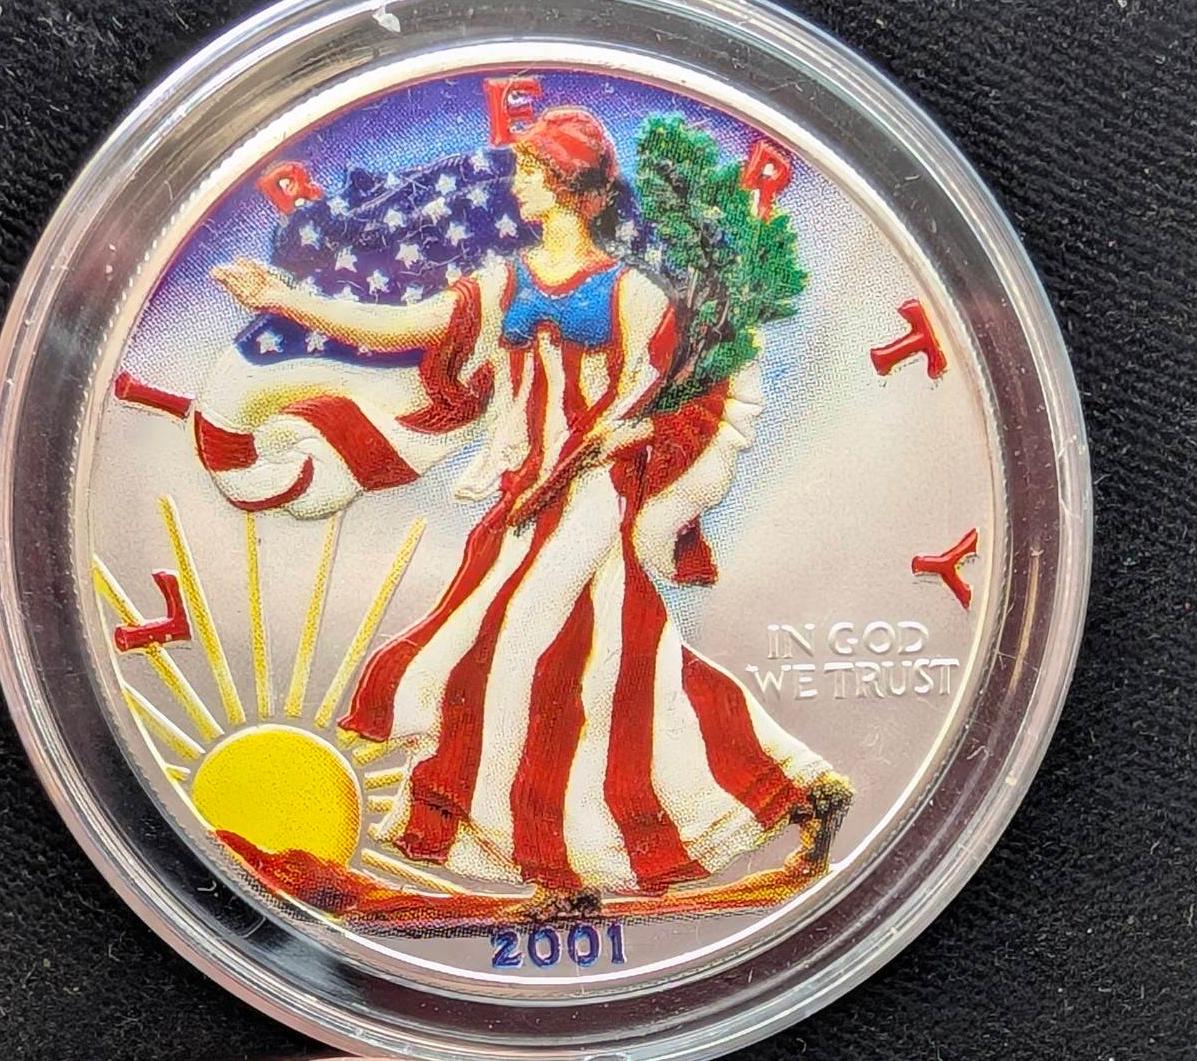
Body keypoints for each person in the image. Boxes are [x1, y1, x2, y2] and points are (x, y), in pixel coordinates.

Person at [212, 107, 850, 912]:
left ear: (564, 183)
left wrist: (624, 432)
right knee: (617, 659)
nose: (514, 183)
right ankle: (773, 787)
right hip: (527, 493)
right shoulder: (503, 283)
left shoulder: (634, 294)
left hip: (594, 490)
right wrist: (282, 298)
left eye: (527, 170)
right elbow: (401, 327)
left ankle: (556, 852)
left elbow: (674, 399)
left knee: (515, 642)